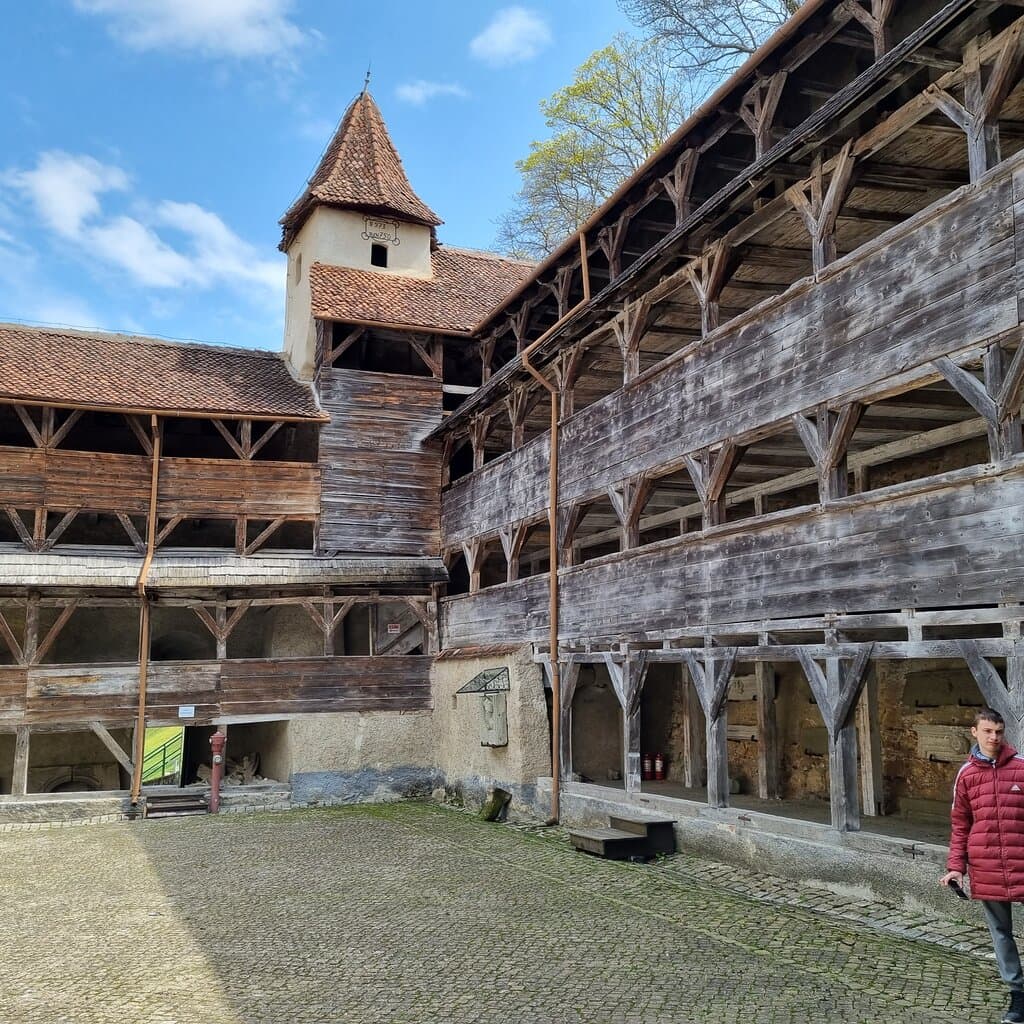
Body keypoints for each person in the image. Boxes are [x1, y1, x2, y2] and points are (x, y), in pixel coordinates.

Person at [941, 708, 1024, 1024]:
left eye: (999, 731)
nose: (994, 737)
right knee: (1001, 933)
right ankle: (1018, 997)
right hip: (986, 864)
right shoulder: (967, 775)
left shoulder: (1021, 769)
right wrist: (955, 867)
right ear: (974, 731)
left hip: (1021, 861)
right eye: (988, 731)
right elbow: (960, 823)